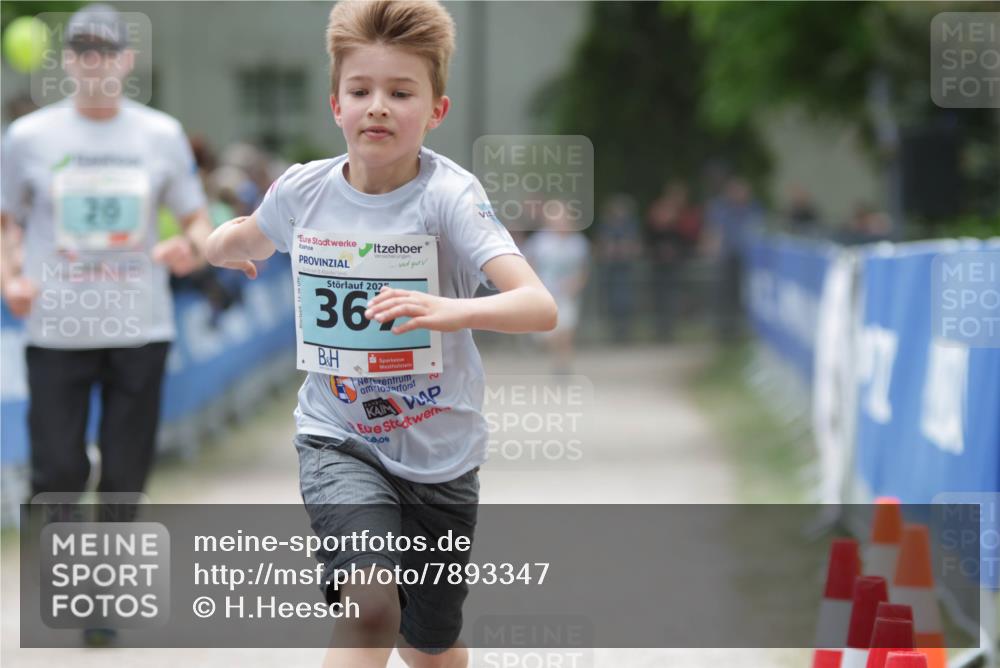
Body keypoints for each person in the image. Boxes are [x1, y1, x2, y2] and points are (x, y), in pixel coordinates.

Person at [204, 2, 557, 666]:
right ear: (335, 103)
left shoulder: (449, 197)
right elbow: (245, 236)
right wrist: (217, 244)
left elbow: (538, 306)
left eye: (401, 93)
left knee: (430, 648)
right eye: (361, 90)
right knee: (369, 608)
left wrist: (449, 310)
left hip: (440, 456)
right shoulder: (303, 191)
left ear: (436, 111)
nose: (378, 108)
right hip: (338, 436)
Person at [0, 5, 212, 507]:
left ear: (128, 59)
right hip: (56, 327)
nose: (94, 61)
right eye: (83, 50)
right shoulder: (29, 137)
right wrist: (9, 278)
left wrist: (192, 249)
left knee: (125, 481)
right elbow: (7, 220)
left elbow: (197, 221)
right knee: (56, 474)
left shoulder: (161, 134)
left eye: (106, 50)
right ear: (66, 60)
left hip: (140, 327)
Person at [524, 204, 591, 372]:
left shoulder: (578, 242)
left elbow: (583, 269)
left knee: (566, 332)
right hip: (545, 294)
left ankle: (562, 365)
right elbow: (529, 264)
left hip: (567, 295)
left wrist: (576, 285)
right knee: (548, 335)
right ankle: (556, 356)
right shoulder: (539, 241)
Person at [595, 194, 641, 342]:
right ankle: (614, 333)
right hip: (610, 270)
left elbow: (634, 246)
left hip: (625, 270)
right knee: (611, 302)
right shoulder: (606, 226)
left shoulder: (630, 226)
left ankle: (625, 333)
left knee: (625, 301)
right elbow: (602, 246)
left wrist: (623, 250)